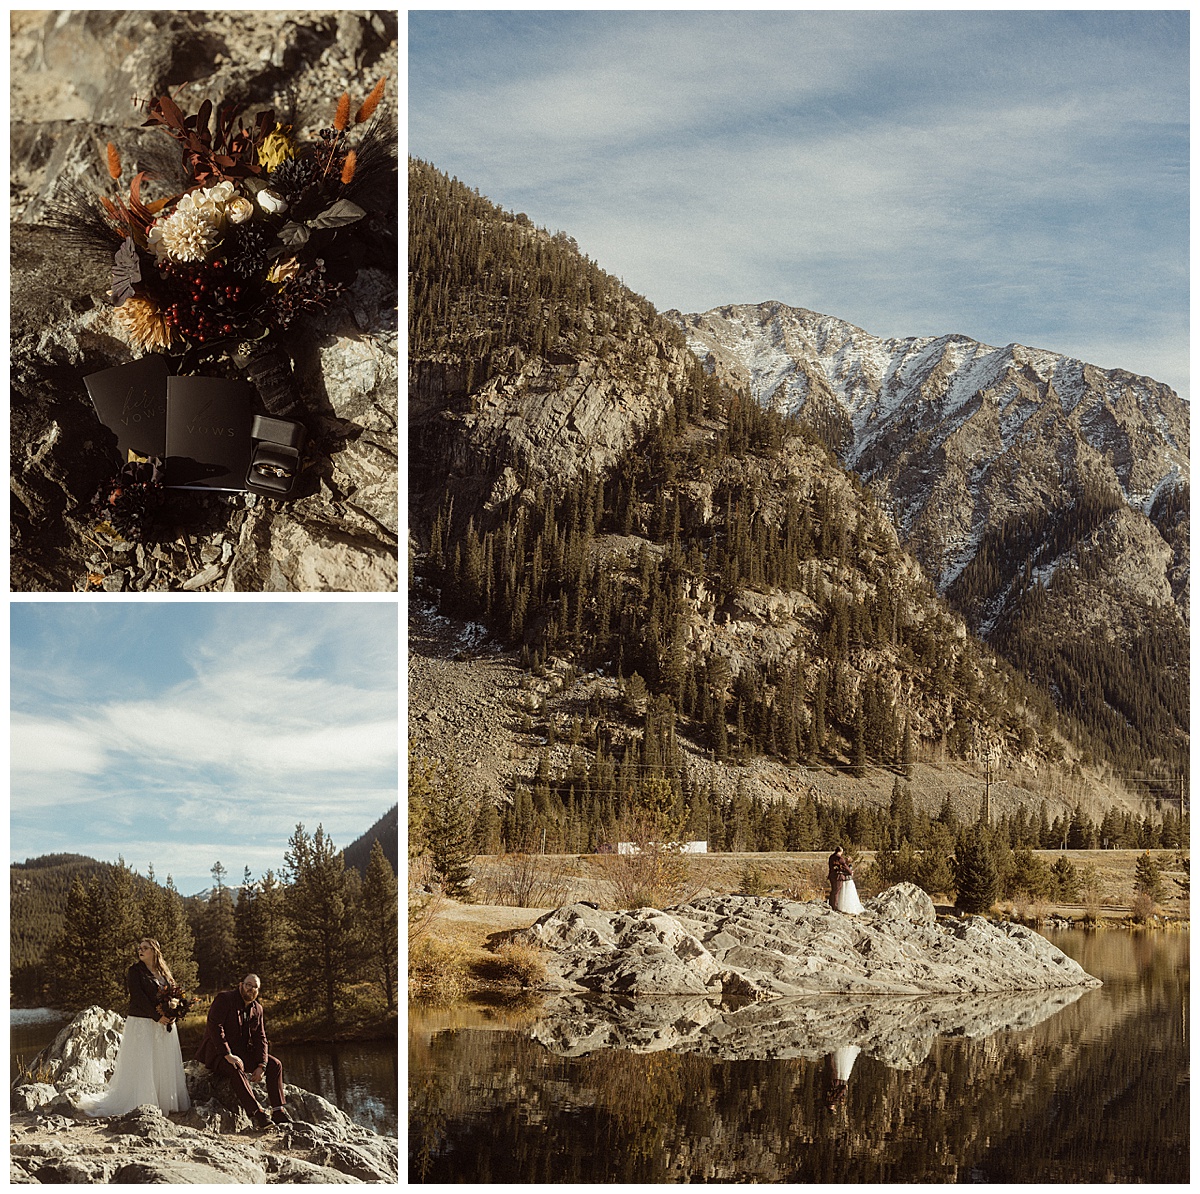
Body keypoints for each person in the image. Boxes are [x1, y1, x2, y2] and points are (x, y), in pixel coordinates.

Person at [78, 938, 191, 1117]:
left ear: (154, 951)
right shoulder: (135, 971)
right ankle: (142, 1101)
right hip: (142, 1021)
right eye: (139, 948)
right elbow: (138, 997)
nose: (141, 950)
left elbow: (174, 994)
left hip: (163, 1024)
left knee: (161, 1062)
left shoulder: (165, 973)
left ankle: (163, 1101)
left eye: (145, 948)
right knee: (143, 1061)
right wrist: (157, 1016)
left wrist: (173, 1012)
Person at [195, 973, 290, 1129]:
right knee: (235, 1067)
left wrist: (262, 1065)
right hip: (218, 1053)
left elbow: (261, 1038)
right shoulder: (224, 999)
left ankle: (278, 1111)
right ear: (241, 985)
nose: (251, 989)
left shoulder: (257, 1008)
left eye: (255, 987)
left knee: (276, 1064)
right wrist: (227, 1054)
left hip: (242, 1052)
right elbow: (215, 1027)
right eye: (248, 985)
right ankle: (257, 1114)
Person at [828, 846, 864, 914]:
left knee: (833, 891)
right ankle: (835, 907)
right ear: (840, 851)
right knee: (837, 891)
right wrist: (850, 872)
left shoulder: (831, 857)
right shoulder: (840, 858)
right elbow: (845, 867)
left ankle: (831, 904)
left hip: (831, 875)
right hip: (838, 876)